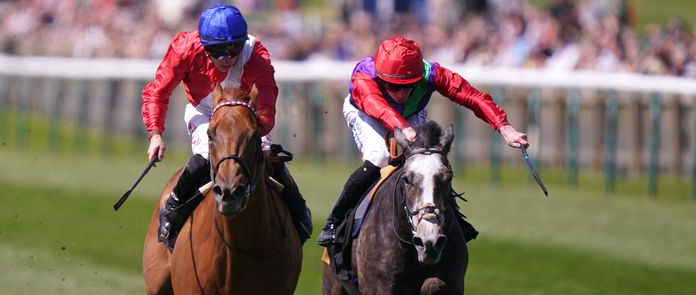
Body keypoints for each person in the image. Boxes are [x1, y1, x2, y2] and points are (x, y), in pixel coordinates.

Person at [316, 36, 529, 246]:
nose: (401, 93)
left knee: (430, 160)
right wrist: (402, 126)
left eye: (408, 86)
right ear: (381, 77)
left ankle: (455, 219)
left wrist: (503, 126)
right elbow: (376, 105)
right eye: (392, 86)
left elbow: (472, 96)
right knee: (379, 156)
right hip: (366, 112)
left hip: (408, 115)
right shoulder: (364, 75)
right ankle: (334, 221)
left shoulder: (433, 74)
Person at [142, 3, 311, 250]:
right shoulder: (184, 48)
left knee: (269, 157)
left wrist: (259, 137)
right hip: (205, 113)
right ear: (203, 44)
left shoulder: (256, 55)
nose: (227, 58)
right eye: (218, 51)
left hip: (246, 117)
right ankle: (174, 205)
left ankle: (298, 211)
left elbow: (266, 105)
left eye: (234, 49)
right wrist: (155, 133)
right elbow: (157, 92)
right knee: (204, 153)